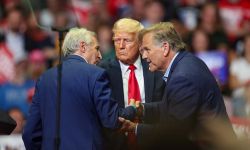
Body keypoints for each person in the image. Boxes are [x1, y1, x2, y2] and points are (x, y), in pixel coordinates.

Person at [119, 22, 235, 150]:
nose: (144, 56)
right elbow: (169, 107)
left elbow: (174, 133)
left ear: (165, 48)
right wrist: (141, 109)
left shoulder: (182, 77)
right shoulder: (187, 61)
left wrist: (135, 128)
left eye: (147, 49)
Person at [22, 27, 136, 150]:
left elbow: (30, 133)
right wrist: (132, 110)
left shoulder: (44, 79)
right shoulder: (96, 74)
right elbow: (111, 120)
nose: (100, 56)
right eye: (97, 49)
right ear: (82, 47)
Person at [99, 18, 165, 150]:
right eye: (117, 40)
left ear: (140, 44)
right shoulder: (102, 71)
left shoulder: (155, 67)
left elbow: (164, 107)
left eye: (127, 40)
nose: (121, 45)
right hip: (115, 144)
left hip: (153, 142)